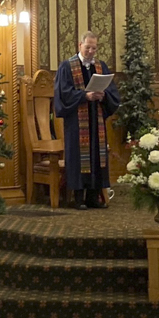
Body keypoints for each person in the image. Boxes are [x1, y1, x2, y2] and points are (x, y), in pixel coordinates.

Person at [54, 30, 120, 210]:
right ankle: (78, 198)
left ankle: (93, 196)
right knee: (78, 156)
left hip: (96, 118)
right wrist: (85, 96)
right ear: (80, 46)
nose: (91, 51)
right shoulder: (67, 67)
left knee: (97, 156)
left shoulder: (100, 66)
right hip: (77, 121)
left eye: (94, 48)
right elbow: (64, 94)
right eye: (88, 47)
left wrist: (103, 96)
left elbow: (112, 93)